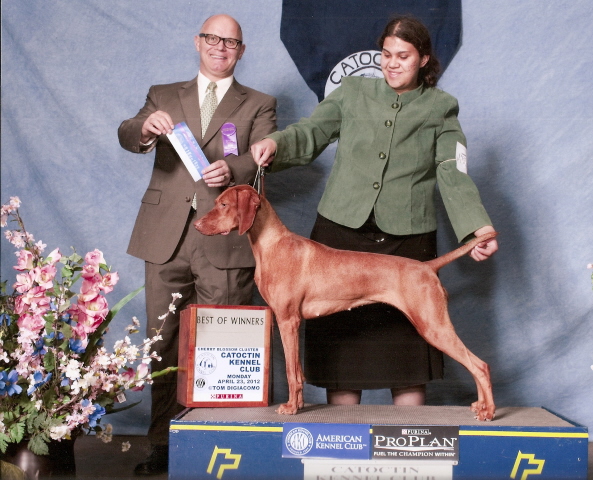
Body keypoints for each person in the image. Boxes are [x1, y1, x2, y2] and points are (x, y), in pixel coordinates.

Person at [251, 15, 497, 408]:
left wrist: (477, 228)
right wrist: (277, 143)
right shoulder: (353, 91)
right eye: (386, 54)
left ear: (424, 59)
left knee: (406, 359)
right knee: (343, 359)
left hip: (406, 241)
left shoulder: (440, 107)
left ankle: (408, 441)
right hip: (340, 236)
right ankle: (341, 440)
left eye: (403, 56)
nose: (392, 63)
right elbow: (312, 131)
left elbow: (453, 171)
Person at [118, 14, 276, 476]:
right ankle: (163, 444)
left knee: (224, 346)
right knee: (163, 342)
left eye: (230, 42)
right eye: (212, 38)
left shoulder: (260, 103)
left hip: (226, 238)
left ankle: (219, 442)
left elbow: (264, 153)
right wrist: (146, 127)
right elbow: (127, 133)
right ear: (197, 42)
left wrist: (235, 169)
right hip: (163, 237)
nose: (220, 47)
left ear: (241, 51)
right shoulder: (163, 94)